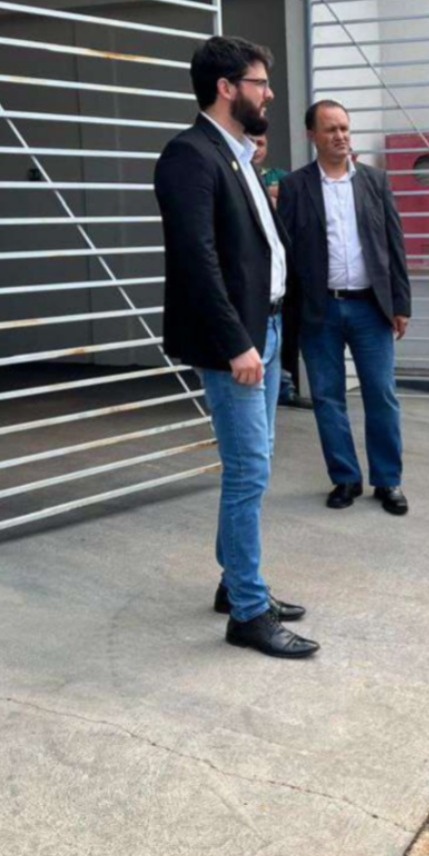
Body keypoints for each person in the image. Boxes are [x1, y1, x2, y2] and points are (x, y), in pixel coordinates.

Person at [154, 34, 318, 659]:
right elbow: (195, 262)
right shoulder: (188, 157)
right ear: (227, 88)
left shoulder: (237, 155)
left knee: (257, 464)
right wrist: (236, 344)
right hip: (239, 344)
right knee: (249, 470)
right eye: (260, 82)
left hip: (266, 331)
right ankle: (248, 611)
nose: (269, 93)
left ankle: (235, 583)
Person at [278, 100, 412, 515]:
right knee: (327, 397)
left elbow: (394, 245)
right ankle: (345, 478)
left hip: (370, 308)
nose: (340, 136)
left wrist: (400, 303)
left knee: (381, 395)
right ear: (312, 136)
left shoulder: (375, 182)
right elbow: (286, 251)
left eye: (344, 128)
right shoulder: (297, 187)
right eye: (331, 129)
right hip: (320, 310)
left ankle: (387, 481)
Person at [252, 134, 312, 411]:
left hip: (284, 272)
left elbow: (296, 191)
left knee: (285, 334)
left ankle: (285, 388)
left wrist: (274, 192)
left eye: (261, 143)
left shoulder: (277, 175)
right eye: (250, 142)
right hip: (255, 272)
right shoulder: (235, 171)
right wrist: (273, 193)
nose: (255, 148)